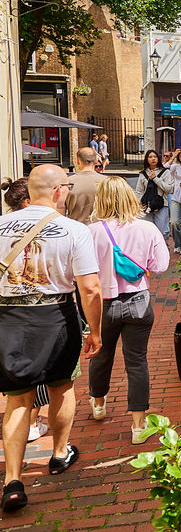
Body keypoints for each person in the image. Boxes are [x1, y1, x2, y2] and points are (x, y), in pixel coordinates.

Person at [0, 165, 103, 513]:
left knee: (17, 399)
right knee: (62, 386)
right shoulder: (74, 229)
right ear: (59, 190)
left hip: (9, 317)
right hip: (55, 315)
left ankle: (12, 479)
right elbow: (90, 288)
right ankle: (59, 453)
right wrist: (95, 330)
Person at [86, 177, 170, 444]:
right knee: (137, 361)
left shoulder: (91, 231)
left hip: (104, 302)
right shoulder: (147, 229)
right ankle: (137, 425)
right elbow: (161, 266)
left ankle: (98, 405)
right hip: (138, 300)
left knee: (101, 355)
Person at [1, 178, 50, 444]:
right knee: (41, 372)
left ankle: (25, 421)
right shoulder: (49, 228)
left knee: (16, 380)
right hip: (39, 309)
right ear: (28, 201)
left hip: (6, 311)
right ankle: (33, 423)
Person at [135, 150, 173, 238]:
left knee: (162, 232)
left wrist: (155, 179)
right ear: (147, 159)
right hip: (146, 206)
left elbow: (169, 189)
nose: (153, 159)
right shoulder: (143, 173)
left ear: (158, 159)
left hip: (161, 205)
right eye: (150, 157)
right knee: (147, 232)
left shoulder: (165, 172)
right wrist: (139, 204)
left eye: (155, 157)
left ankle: (163, 249)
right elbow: (139, 191)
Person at [64, 147, 105, 224]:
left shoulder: (67, 182)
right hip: (101, 230)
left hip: (76, 228)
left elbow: (60, 210)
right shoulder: (106, 182)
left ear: (78, 161)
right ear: (96, 161)